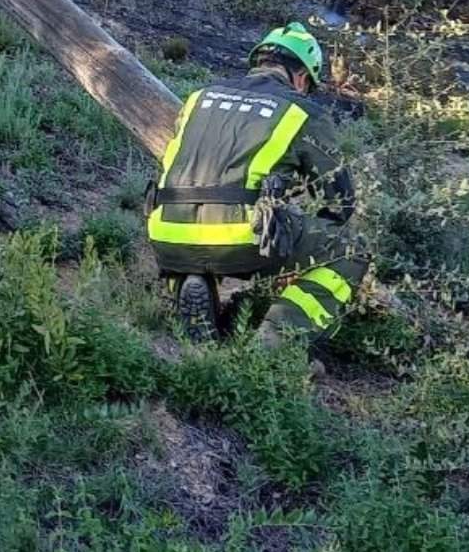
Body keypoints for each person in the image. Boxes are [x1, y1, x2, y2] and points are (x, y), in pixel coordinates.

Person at [146, 22, 367, 348]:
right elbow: (340, 201)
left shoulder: (199, 97)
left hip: (164, 230)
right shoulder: (302, 110)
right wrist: (298, 229)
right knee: (352, 251)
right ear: (302, 77)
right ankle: (275, 341)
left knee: (194, 224)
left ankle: (189, 282)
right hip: (240, 236)